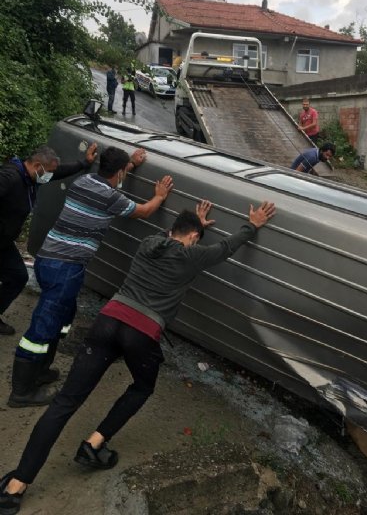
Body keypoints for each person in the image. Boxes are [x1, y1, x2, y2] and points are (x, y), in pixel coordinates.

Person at [0, 198, 275, 515]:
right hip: (140, 333)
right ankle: (94, 444)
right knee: (142, 387)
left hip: (107, 321)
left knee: (64, 403)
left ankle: (16, 486)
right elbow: (227, 247)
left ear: (172, 230)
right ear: (194, 238)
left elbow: (170, 239)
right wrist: (252, 224)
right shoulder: (194, 256)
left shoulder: (149, 244)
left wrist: (195, 225)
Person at [8, 146, 173, 409]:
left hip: (49, 260)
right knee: (43, 326)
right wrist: (160, 196)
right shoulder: (111, 198)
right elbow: (143, 211)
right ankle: (21, 391)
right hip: (65, 267)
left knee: (63, 317)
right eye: (124, 171)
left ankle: (40, 371)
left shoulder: (83, 181)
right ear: (119, 172)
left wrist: (129, 163)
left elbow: (112, 180)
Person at [0, 143, 98, 336]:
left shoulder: (31, 177)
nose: (49, 175)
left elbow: (59, 172)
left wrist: (84, 163)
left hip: (3, 243)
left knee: (18, 276)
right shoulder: (9, 178)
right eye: (48, 171)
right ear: (38, 166)